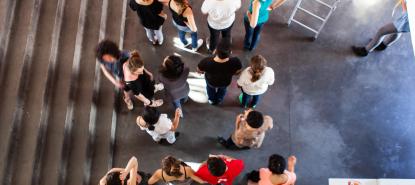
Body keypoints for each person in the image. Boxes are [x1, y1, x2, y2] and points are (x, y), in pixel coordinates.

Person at [197, 39, 242, 105]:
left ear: (215, 51)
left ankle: (211, 100)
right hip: (225, 82)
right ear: (230, 52)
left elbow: (199, 70)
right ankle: (219, 99)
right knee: (223, 90)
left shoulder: (206, 61)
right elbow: (238, 72)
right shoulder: (236, 61)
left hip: (211, 81)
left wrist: (203, 72)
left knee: (210, 89)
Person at [95, 40, 132, 110]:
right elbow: (104, 70)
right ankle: (128, 100)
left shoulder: (125, 55)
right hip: (121, 77)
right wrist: (115, 82)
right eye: (105, 58)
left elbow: (134, 64)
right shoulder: (103, 60)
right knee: (126, 90)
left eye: (108, 57)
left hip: (130, 74)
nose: (107, 60)